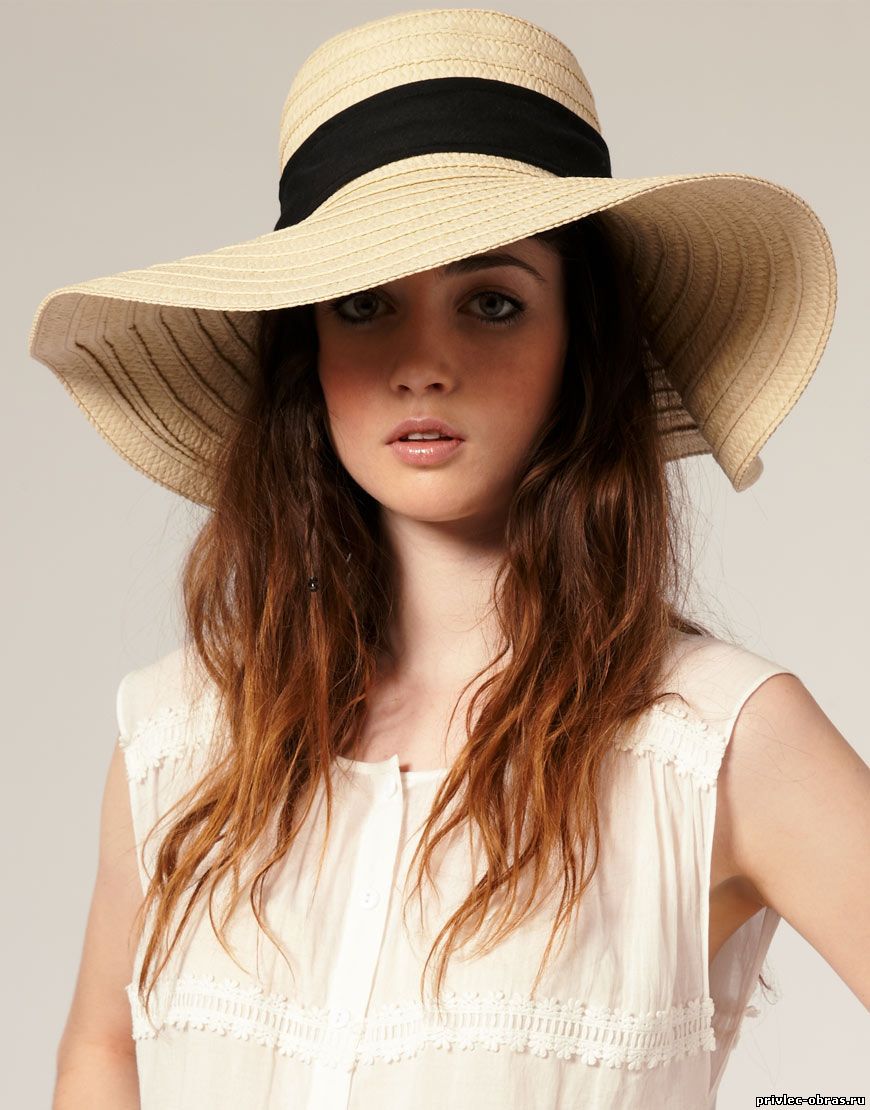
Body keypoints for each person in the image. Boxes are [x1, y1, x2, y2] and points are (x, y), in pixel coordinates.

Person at [33, 8, 868, 1110]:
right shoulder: (184, 735)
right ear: (308, 350)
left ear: (580, 343)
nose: (423, 363)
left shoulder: (715, 742)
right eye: (364, 303)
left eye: (491, 302)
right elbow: (104, 1056)